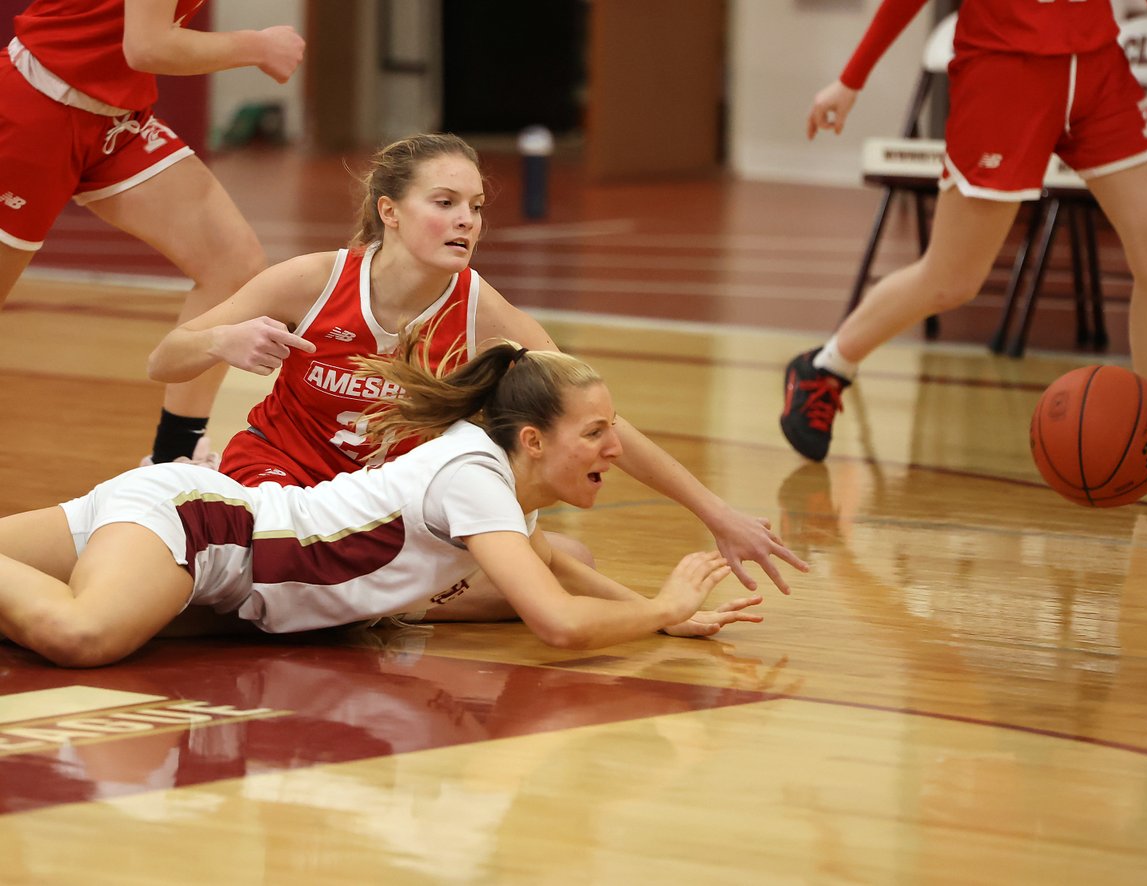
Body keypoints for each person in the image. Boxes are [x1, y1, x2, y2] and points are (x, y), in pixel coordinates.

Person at [148, 132, 808, 595]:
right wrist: (219, 344)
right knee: (320, 564)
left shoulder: (482, 313)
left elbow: (598, 423)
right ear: (391, 213)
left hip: (379, 510)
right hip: (283, 482)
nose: (467, 220)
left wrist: (716, 513)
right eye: (445, 203)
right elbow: (163, 360)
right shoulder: (312, 282)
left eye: (476, 207)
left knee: (567, 556)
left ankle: (370, 598)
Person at [0, 339, 765, 668]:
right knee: (82, 633)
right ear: (532, 440)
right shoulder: (473, 474)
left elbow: (551, 560)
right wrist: (661, 608)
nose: (615, 449)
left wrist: (659, 609)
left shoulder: (493, 483)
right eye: (596, 432)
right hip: (204, 530)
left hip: (190, 517)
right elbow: (559, 623)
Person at [783, 0, 1147, 478]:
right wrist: (851, 79)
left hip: (1098, 71)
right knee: (952, 278)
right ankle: (825, 367)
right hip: (1003, 71)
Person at [0, 0, 305, 465]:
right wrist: (258, 46)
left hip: (116, 120)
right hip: (34, 106)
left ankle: (173, 457)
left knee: (232, 263)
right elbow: (148, 46)